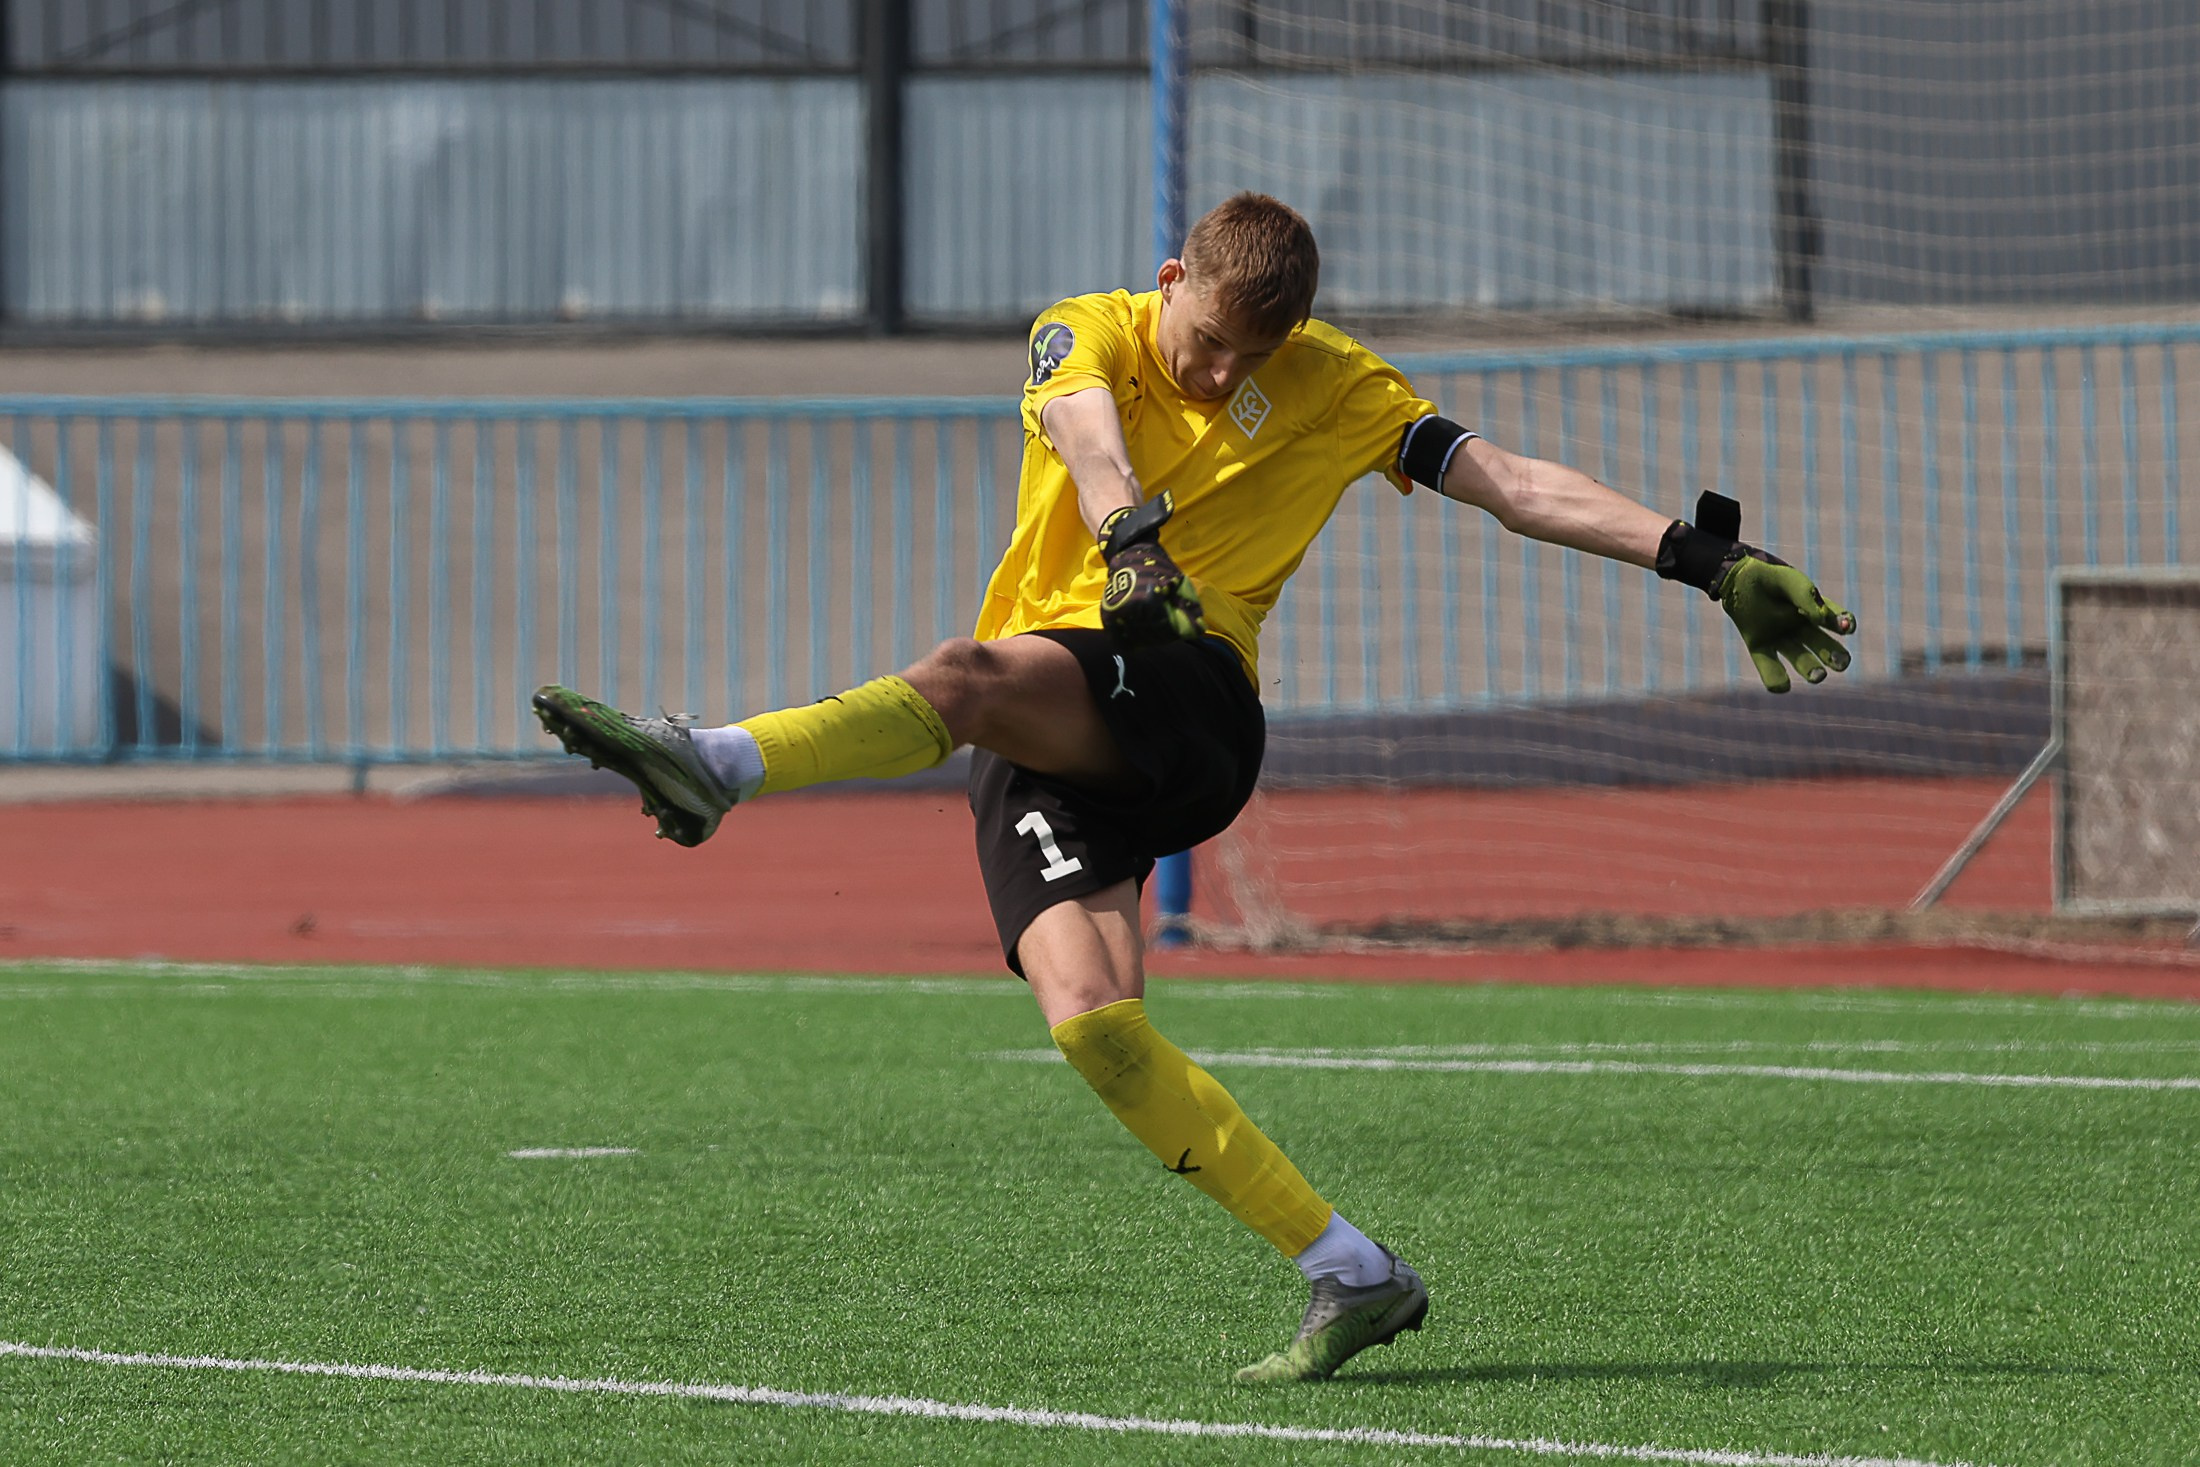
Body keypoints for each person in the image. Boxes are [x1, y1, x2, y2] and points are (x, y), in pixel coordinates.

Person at [532, 193, 1856, 1384]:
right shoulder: (1084, 332)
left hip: (1190, 691)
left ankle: (715, 764)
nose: (1225, 376)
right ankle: (1350, 1270)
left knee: (963, 674)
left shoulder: (1341, 386)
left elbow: (1507, 483)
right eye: (1210, 343)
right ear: (1172, 279)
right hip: (1065, 717)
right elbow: (1084, 426)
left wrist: (1704, 562)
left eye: (1253, 360)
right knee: (1095, 1029)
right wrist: (1126, 529)